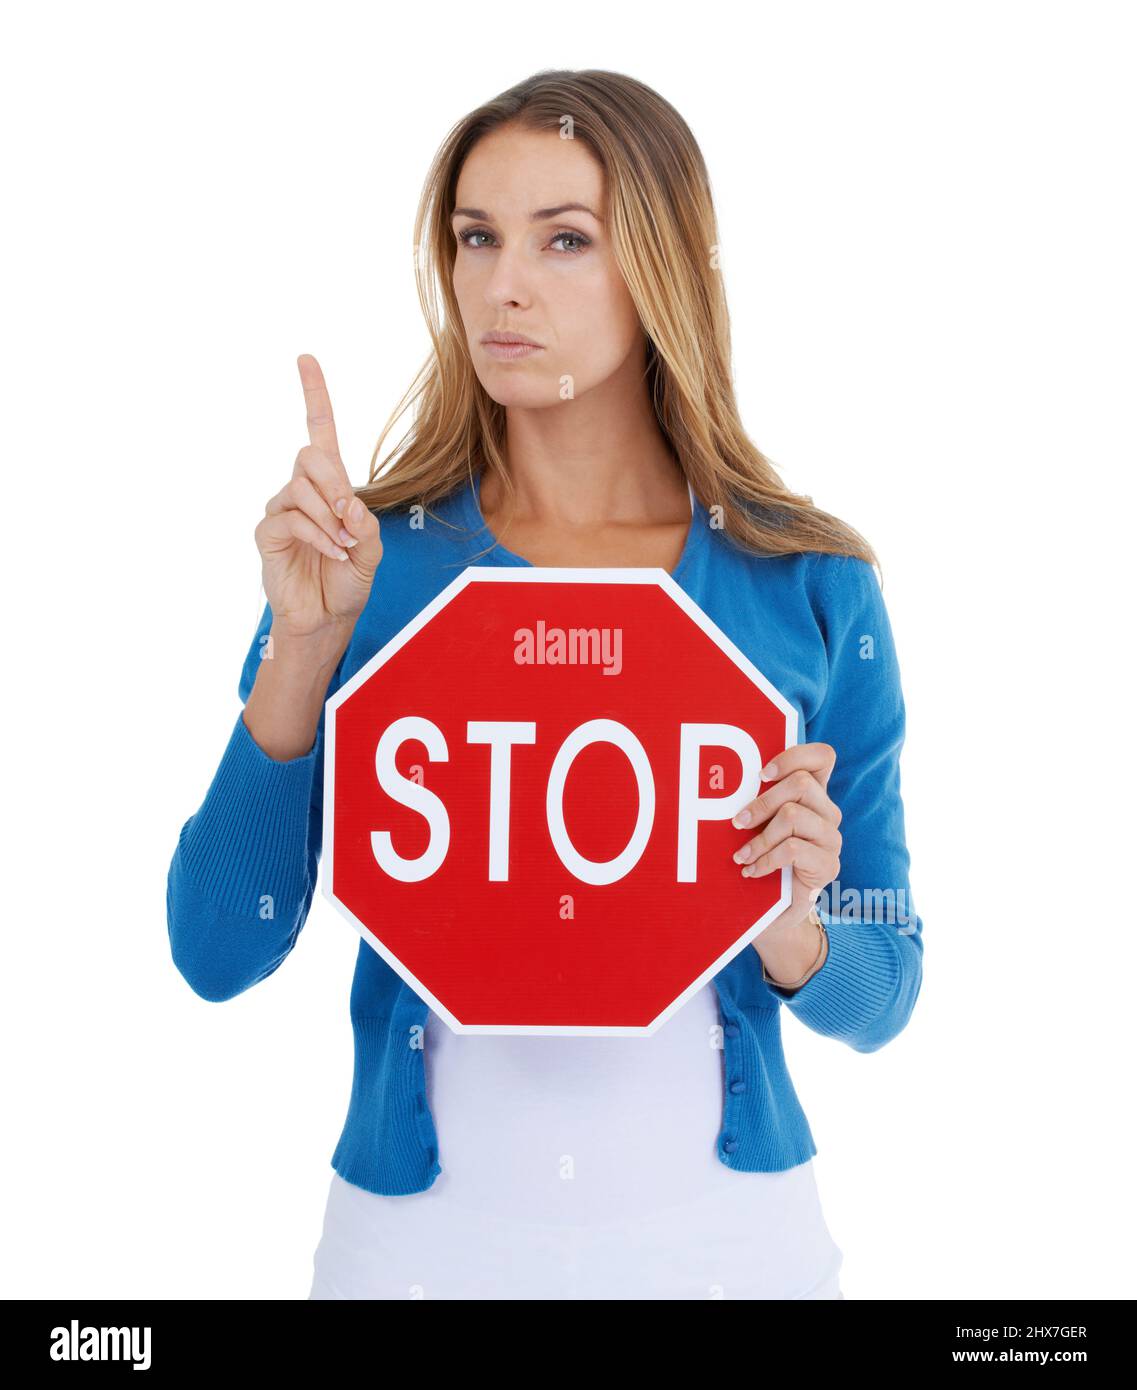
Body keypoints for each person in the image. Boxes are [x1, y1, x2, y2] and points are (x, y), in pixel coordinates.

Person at [166, 68, 923, 1301]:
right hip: (413, 1255)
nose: (501, 285)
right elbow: (213, 949)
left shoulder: (809, 583)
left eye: (564, 239)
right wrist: (303, 649)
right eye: (476, 238)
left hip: (732, 1251)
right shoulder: (369, 564)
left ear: (662, 269)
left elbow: (885, 988)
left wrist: (788, 920)